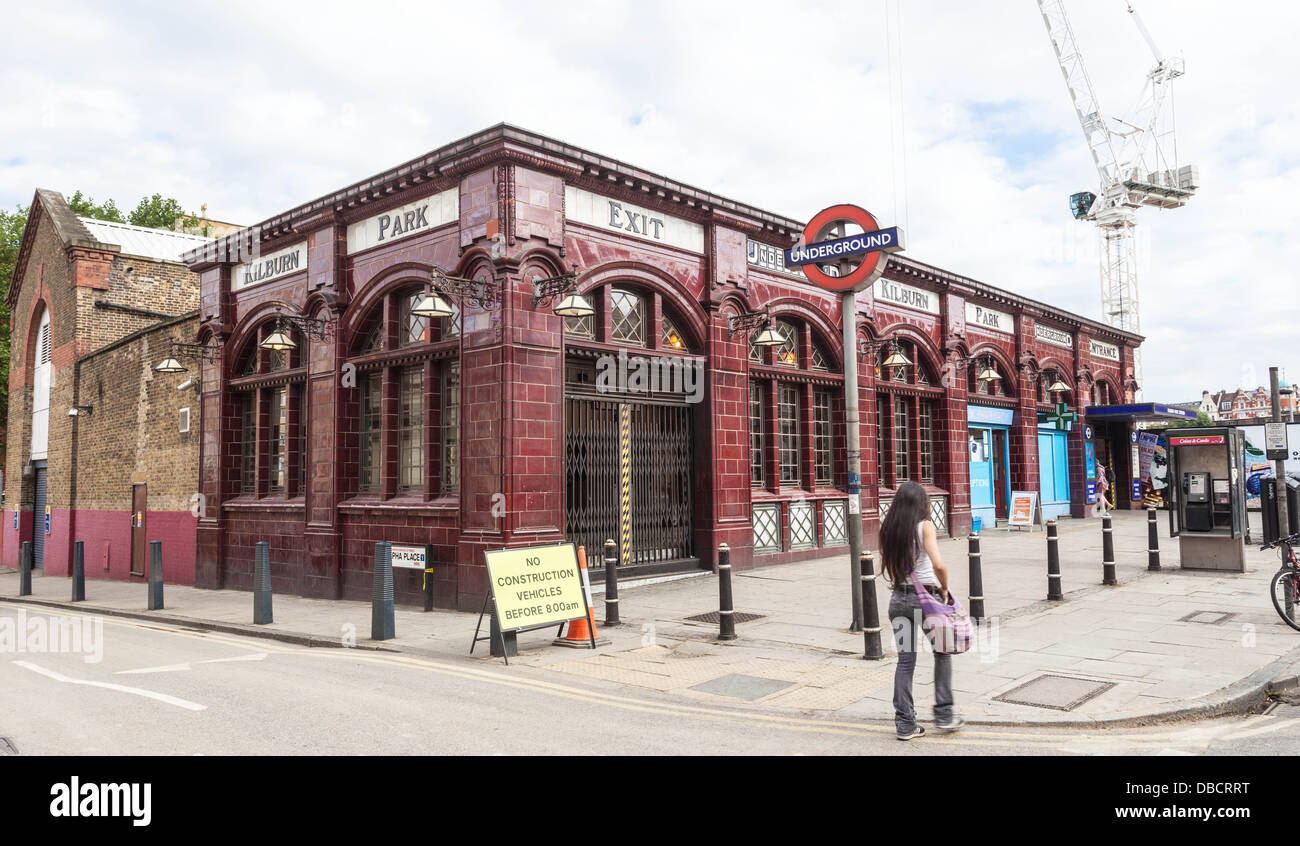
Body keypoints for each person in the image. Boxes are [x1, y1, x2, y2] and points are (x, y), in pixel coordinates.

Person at [881, 480, 964, 740]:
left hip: (898, 600)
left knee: (905, 663)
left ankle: (905, 724)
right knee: (942, 652)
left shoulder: (888, 529)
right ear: (921, 503)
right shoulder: (924, 526)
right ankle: (944, 714)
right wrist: (945, 588)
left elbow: (893, 571)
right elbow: (938, 565)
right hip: (926, 599)